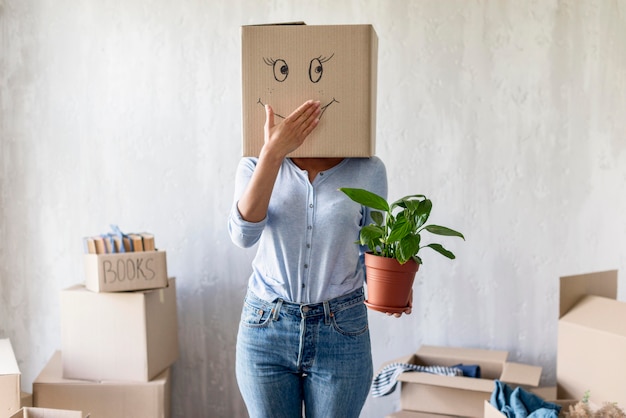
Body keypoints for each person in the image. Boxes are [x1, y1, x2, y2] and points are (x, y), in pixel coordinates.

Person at [228, 99, 410, 418]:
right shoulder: (255, 161)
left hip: (341, 329)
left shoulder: (367, 168)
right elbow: (243, 236)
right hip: (267, 325)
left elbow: (374, 246)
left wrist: (394, 292)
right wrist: (272, 153)